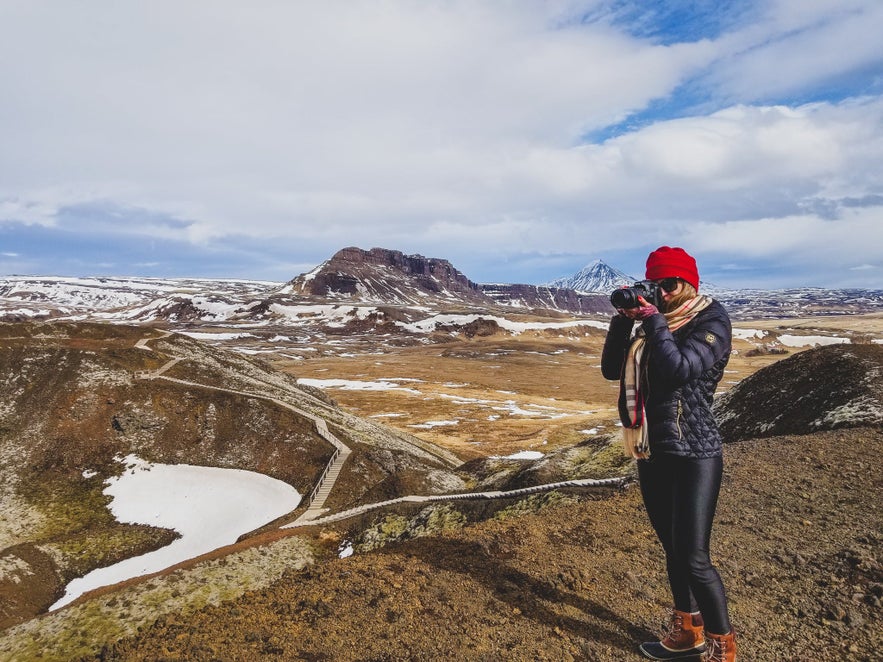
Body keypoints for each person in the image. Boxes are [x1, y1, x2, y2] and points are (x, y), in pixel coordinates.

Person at [601, 246, 737, 662]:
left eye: (669, 284)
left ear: (689, 284)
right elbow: (611, 369)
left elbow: (679, 369)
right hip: (654, 449)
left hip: (696, 452)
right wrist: (622, 324)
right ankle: (687, 630)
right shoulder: (652, 325)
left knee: (695, 556)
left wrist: (655, 321)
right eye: (655, 284)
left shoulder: (712, 321)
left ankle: (722, 647)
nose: (661, 291)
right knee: (673, 549)